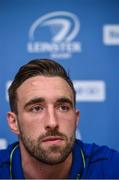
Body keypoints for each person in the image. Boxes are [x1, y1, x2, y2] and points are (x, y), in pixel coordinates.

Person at [0, 59, 119, 179]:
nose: (52, 123)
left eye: (63, 107)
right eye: (36, 108)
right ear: (14, 122)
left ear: (76, 119)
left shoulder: (112, 168)